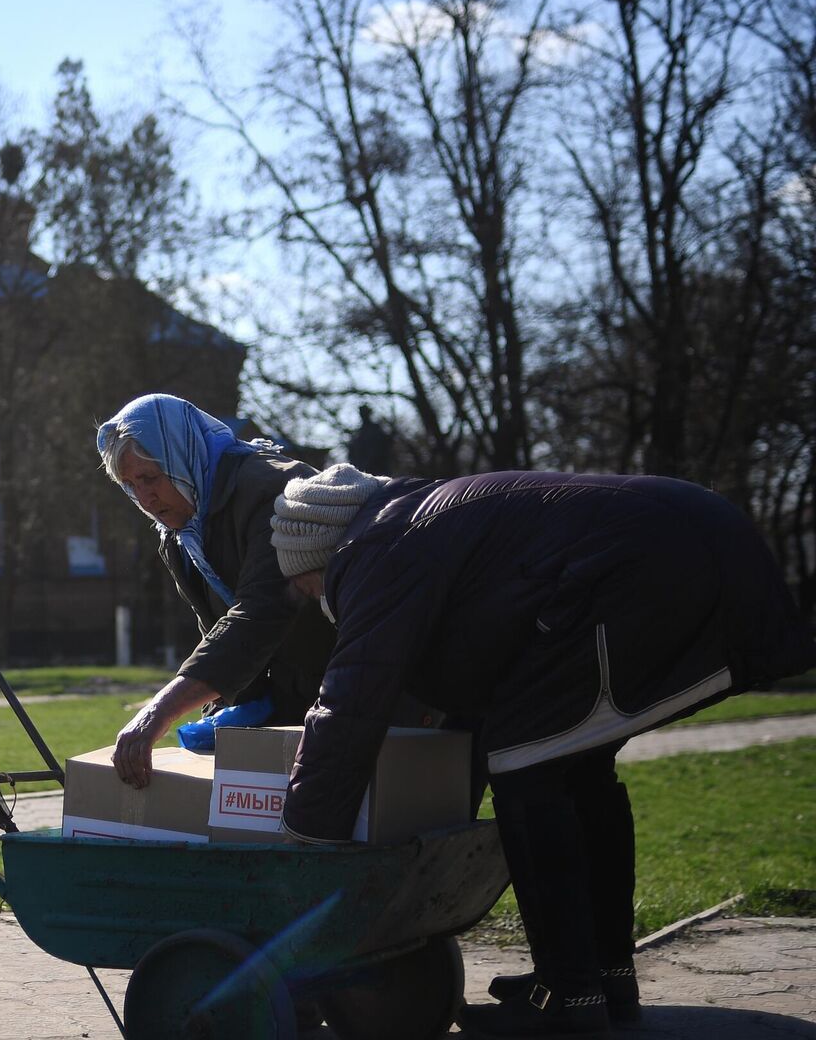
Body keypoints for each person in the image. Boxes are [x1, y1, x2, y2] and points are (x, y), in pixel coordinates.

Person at [265, 465, 816, 1037]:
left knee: (525, 765)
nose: (316, 601)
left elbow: (351, 701)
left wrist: (304, 838)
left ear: (322, 554)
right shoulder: (418, 519)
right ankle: (604, 978)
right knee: (575, 769)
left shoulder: (375, 549)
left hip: (652, 566)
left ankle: (569, 995)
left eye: (308, 585)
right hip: (703, 539)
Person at [96, 394, 337, 788]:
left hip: (363, 688)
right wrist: (225, 708)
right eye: (130, 484)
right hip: (301, 697)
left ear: (180, 456)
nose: (145, 497)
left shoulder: (273, 491)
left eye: (151, 477)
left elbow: (259, 614)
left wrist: (159, 711)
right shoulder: (181, 533)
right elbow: (218, 630)